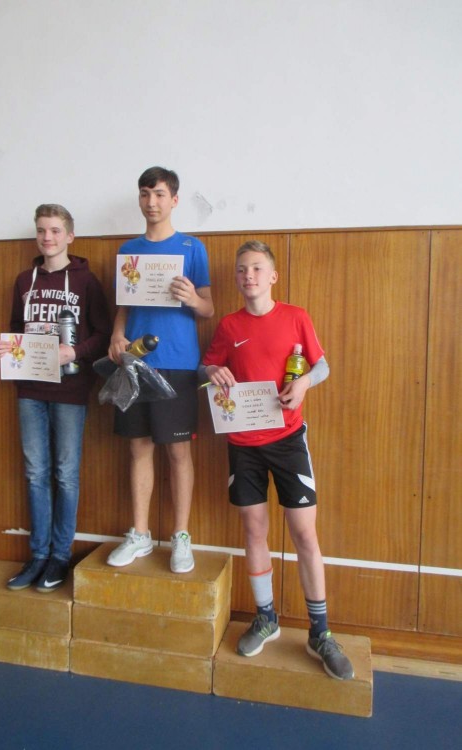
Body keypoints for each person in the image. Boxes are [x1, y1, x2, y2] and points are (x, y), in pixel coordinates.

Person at [202, 240, 353, 680]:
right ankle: (266, 617)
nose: (248, 276)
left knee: (304, 532)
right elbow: (205, 368)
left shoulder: (296, 316)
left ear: (272, 276)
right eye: (241, 269)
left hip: (288, 440)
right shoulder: (229, 325)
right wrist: (212, 372)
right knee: (254, 529)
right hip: (243, 443)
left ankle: (320, 632)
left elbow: (321, 366)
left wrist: (304, 383)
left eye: (256, 268)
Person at [0, 204, 111, 592]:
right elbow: (17, 328)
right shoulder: (23, 281)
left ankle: (60, 555)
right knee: (35, 473)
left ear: (70, 236)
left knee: (65, 474)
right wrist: (8, 349)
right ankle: (38, 555)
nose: (48, 237)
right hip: (29, 388)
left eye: (56, 231)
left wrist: (73, 352)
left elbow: (102, 334)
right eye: (42, 231)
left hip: (70, 390)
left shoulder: (86, 281)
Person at [106, 167, 214, 573]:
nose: (151, 202)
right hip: (136, 361)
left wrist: (192, 298)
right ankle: (140, 534)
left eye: (159, 194)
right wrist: (117, 335)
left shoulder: (192, 247)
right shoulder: (128, 249)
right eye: (145, 193)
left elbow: (208, 308)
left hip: (179, 363)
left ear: (174, 200)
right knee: (138, 447)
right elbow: (124, 305)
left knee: (178, 451)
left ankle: (181, 536)